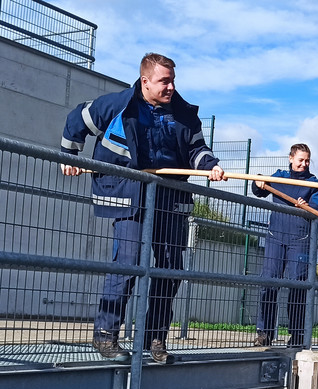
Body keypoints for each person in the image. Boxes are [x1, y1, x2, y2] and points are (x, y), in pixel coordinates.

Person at [60, 53, 225, 363]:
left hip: (168, 198)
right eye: (165, 81)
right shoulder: (118, 104)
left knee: (169, 269)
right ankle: (106, 336)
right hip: (129, 194)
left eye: (173, 80)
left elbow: (197, 149)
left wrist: (211, 165)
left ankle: (156, 339)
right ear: (146, 81)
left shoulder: (185, 114)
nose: (171, 87)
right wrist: (70, 157)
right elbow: (77, 121)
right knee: (128, 263)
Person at [252, 143, 318, 347]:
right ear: (291, 158)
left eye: (307, 160)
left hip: (299, 241)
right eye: (300, 159)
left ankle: (298, 335)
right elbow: (259, 191)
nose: (304, 163)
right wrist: (257, 182)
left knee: (298, 286)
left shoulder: (315, 184)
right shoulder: (279, 177)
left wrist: (307, 207)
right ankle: (264, 333)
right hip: (276, 237)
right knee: (268, 283)